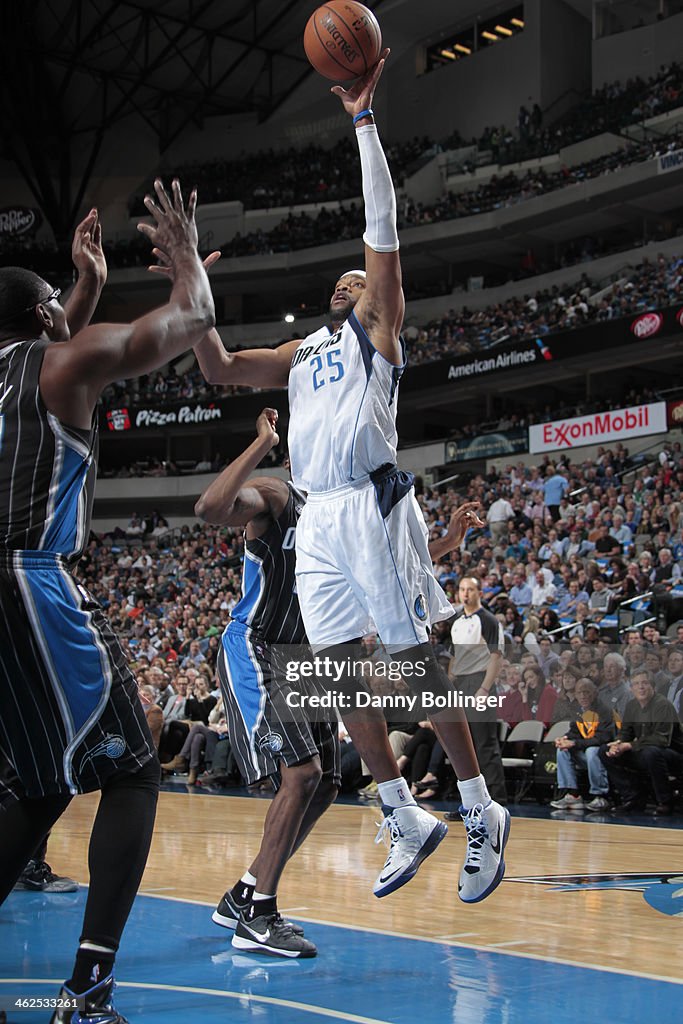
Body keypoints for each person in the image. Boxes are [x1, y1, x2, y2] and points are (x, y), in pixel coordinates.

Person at [191, 53, 509, 904]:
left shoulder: (377, 332)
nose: (351, 276)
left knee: (412, 667)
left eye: (363, 277)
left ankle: (481, 811)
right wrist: (192, 284)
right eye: (344, 276)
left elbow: (383, 229)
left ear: (378, 298)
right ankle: (403, 812)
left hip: (372, 505)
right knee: (335, 670)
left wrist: (363, 122)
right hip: (317, 516)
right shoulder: (302, 353)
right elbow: (218, 368)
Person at [0, 180, 214, 1024]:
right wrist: (186, 257)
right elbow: (186, 321)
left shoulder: (36, 357)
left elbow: (49, 335)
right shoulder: (64, 359)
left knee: (35, 787)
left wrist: (76, 285)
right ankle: (86, 995)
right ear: (48, 316)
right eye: (62, 305)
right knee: (132, 770)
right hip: (26, 579)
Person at [195, 410, 340, 958]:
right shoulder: (278, 496)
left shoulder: (341, 519)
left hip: (303, 659)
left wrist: (445, 543)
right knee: (301, 774)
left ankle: (245, 893)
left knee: (325, 785)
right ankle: (259, 916)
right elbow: (210, 509)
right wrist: (260, 444)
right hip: (256, 648)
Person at [446, 576, 507, 805]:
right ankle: (469, 804)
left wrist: (484, 688)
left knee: (484, 743)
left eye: (470, 589)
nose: (465, 594)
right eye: (462, 589)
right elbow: (454, 658)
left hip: (480, 682)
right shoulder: (457, 622)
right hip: (460, 684)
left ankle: (497, 802)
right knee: (462, 746)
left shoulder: (489, 620)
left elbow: (496, 657)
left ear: (479, 592)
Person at [599, 669, 683, 815]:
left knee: (652, 752)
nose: (641, 687)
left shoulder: (663, 705)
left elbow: (661, 739)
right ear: (631, 688)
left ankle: (665, 801)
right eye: (636, 684)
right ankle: (632, 798)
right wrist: (618, 744)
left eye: (644, 683)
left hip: (673, 754)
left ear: (652, 686)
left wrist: (629, 745)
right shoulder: (632, 705)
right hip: (644, 751)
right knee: (604, 751)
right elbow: (626, 732)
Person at [550, 679, 615, 812]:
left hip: (604, 755)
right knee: (562, 750)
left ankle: (600, 796)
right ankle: (572, 794)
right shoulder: (578, 712)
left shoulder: (605, 711)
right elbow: (574, 732)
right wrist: (564, 739)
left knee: (592, 751)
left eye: (587, 692)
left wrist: (574, 743)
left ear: (595, 693)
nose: (583, 696)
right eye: (579, 692)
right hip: (584, 752)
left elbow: (602, 738)